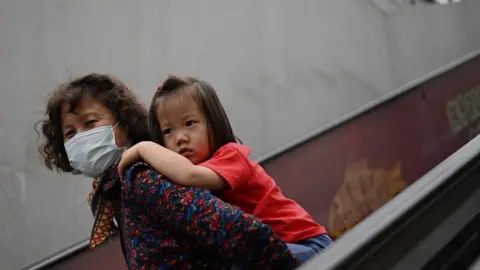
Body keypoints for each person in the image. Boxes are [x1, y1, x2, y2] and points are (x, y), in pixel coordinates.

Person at [36, 73, 296, 269]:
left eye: (90, 122)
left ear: (124, 124)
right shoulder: (115, 190)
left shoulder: (141, 179)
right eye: (70, 132)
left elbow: (244, 232)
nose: (80, 137)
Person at [118, 75, 333, 265]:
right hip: (270, 249)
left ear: (214, 123)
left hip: (308, 246)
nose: (180, 137)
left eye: (190, 123)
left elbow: (189, 175)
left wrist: (143, 148)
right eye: (168, 130)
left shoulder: (232, 156)